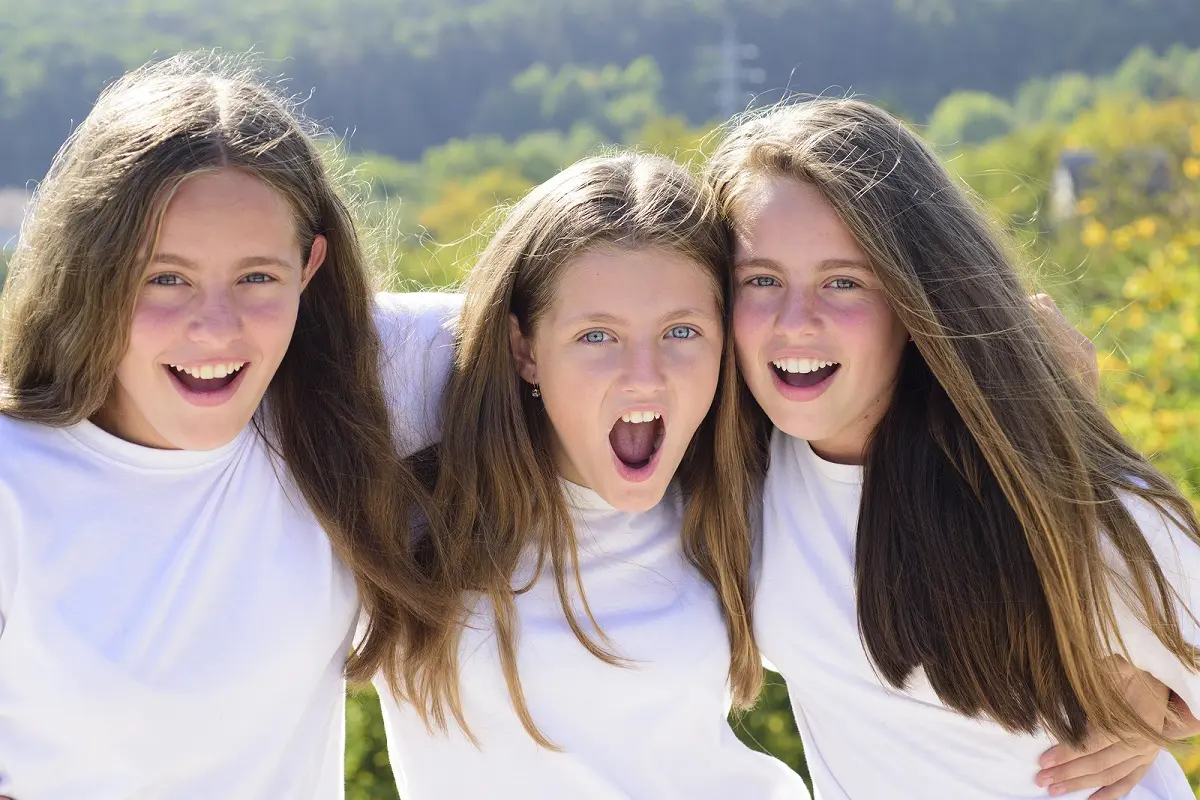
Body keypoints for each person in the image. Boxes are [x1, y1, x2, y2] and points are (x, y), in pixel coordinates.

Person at [706, 97, 1200, 798]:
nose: (795, 321)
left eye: (843, 282)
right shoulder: (741, 471)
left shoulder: (1052, 494)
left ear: (917, 298)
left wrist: (1163, 706)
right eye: (761, 280)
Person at [0, 53, 459, 799]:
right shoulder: (14, 481)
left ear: (308, 269)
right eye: (165, 278)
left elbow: (577, 316)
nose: (216, 328)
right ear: (93, 272)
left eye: (256, 278)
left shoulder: (348, 395)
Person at [375, 153, 810, 799]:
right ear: (525, 351)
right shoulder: (410, 517)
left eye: (682, 330)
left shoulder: (747, 501)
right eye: (597, 337)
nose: (644, 374)